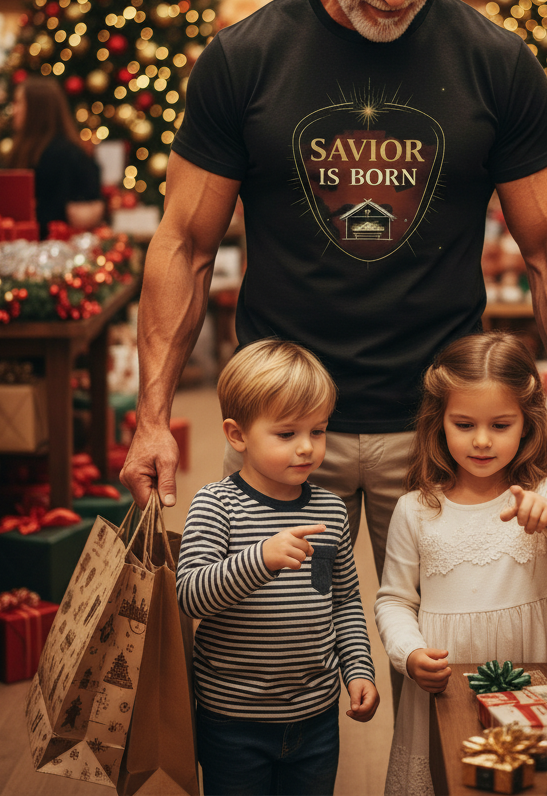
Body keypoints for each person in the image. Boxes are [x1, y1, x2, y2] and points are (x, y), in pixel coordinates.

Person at [121, 0, 547, 586]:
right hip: (281, 422)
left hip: (444, 429)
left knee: (455, 661)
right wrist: (153, 414)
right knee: (275, 658)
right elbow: (184, 243)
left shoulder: (496, 63)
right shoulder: (244, 59)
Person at [374, 332, 547, 795]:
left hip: (534, 675)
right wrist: (409, 654)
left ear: (526, 423)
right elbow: (394, 600)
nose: (481, 441)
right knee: (451, 774)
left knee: (531, 775)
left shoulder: (542, 493)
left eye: (500, 425)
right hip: (447, 679)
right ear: (438, 422)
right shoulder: (416, 508)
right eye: (464, 424)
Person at [176, 339, 379, 796]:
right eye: (287, 434)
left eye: (319, 431)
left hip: (316, 716)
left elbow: (341, 599)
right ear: (237, 435)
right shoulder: (217, 505)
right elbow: (190, 594)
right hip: (232, 720)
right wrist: (259, 559)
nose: (306, 448)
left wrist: (359, 670)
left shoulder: (327, 512)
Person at [8, 76, 103, 237]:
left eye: (19, 103)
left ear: (37, 109)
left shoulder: (65, 155)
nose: (14, 110)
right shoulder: (24, 151)